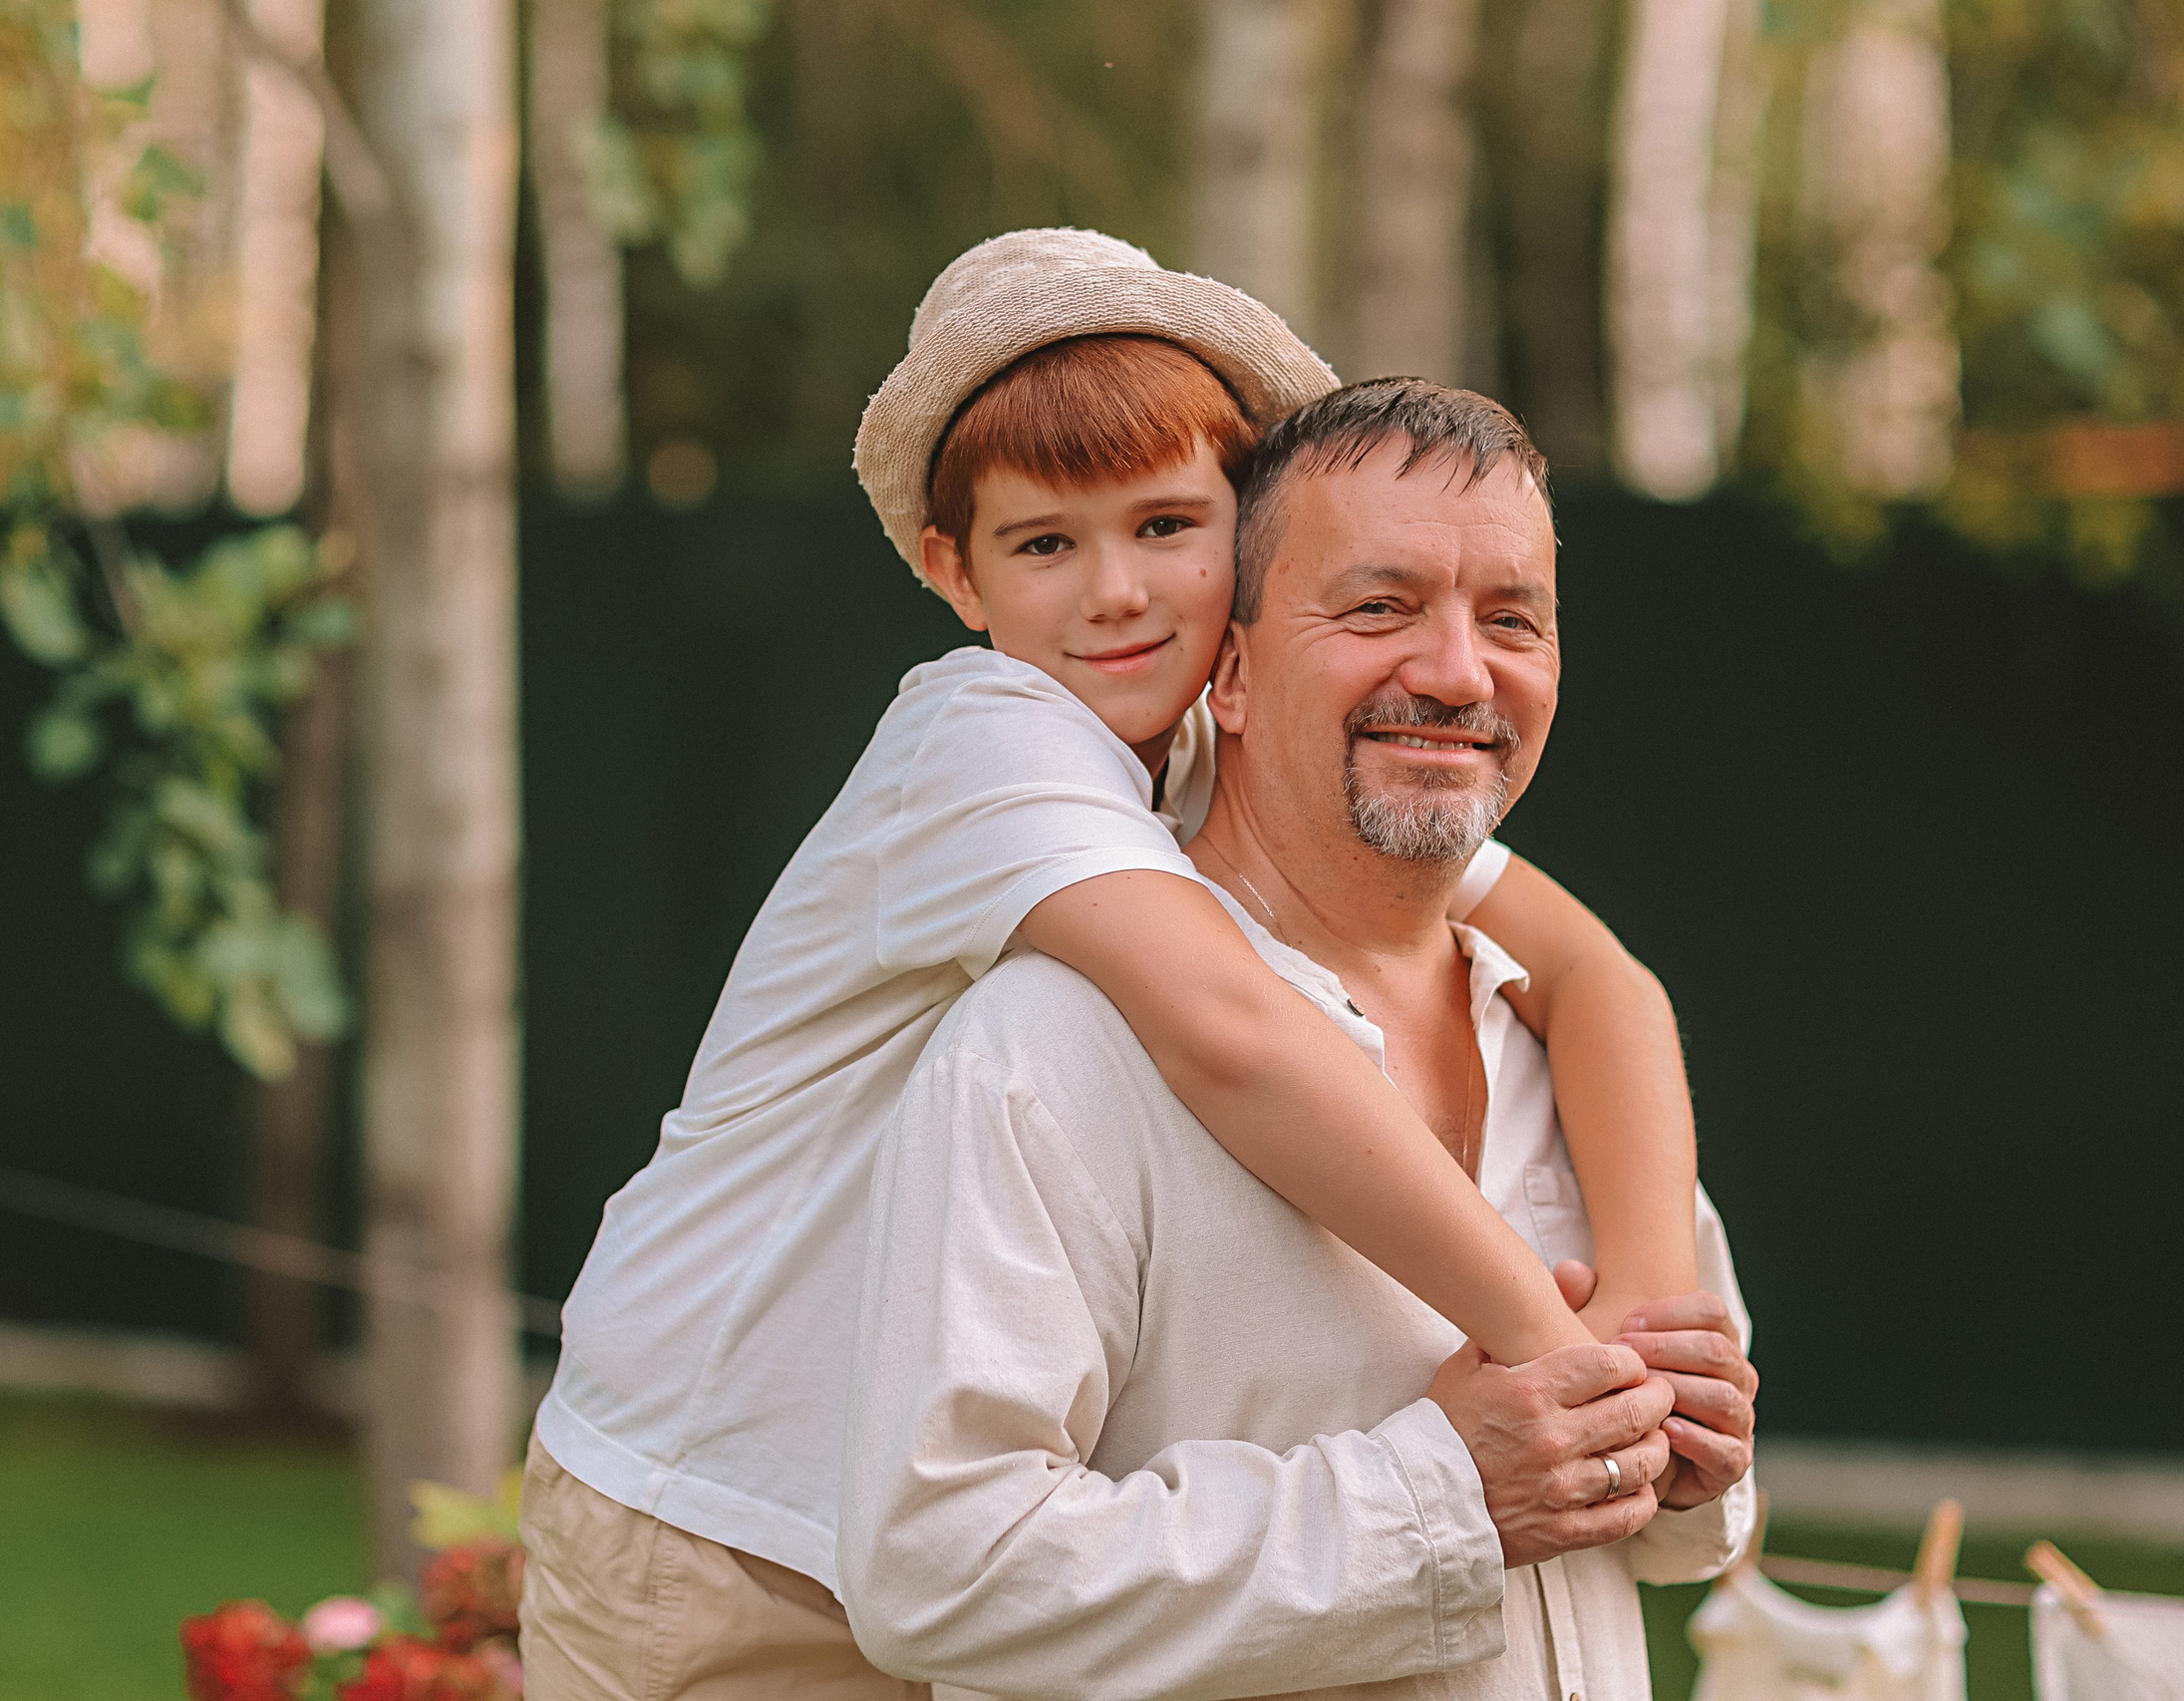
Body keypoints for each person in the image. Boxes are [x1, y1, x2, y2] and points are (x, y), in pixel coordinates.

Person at [521, 231, 1700, 1695]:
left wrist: (1648, 1318)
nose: (1118, 593)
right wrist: (1546, 1350)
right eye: (1044, 544)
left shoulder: (1222, 755)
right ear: (955, 572)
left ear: (1248, 526)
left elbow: (1603, 980)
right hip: (701, 1504)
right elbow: (1236, 1035)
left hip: (870, 1507)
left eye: (1166, 525)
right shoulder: (984, 741)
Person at [837, 377, 1760, 1700]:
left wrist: (1690, 1450)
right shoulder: (1048, 1052)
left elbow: (1674, 1539)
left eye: (1512, 619)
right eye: (1379, 607)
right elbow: (938, 1569)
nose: (1455, 672)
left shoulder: (1569, 1047)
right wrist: (1440, 1494)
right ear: (1230, 666)